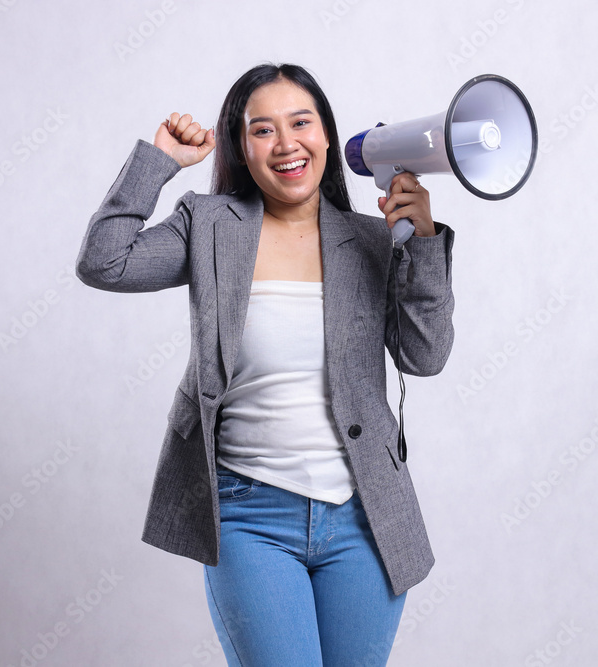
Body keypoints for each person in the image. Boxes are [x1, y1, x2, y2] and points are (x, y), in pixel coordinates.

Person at [76, 63, 455, 666]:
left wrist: (424, 242)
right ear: (241, 147)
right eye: (262, 130)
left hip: (365, 519)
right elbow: (104, 262)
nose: (285, 144)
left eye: (301, 123)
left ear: (326, 136)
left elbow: (425, 355)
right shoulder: (208, 226)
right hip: (249, 516)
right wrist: (159, 161)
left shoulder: (373, 239)